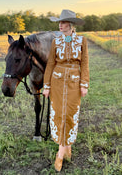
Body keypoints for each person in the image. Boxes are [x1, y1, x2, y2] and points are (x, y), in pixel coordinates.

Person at [43, 9, 89, 172]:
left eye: (62, 22)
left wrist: (84, 83)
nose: (60, 25)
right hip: (57, 81)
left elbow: (84, 63)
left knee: (70, 113)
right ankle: (64, 150)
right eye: (59, 22)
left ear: (71, 24)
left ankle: (62, 152)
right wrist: (46, 86)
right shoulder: (56, 42)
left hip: (74, 82)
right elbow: (50, 64)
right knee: (58, 114)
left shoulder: (82, 40)